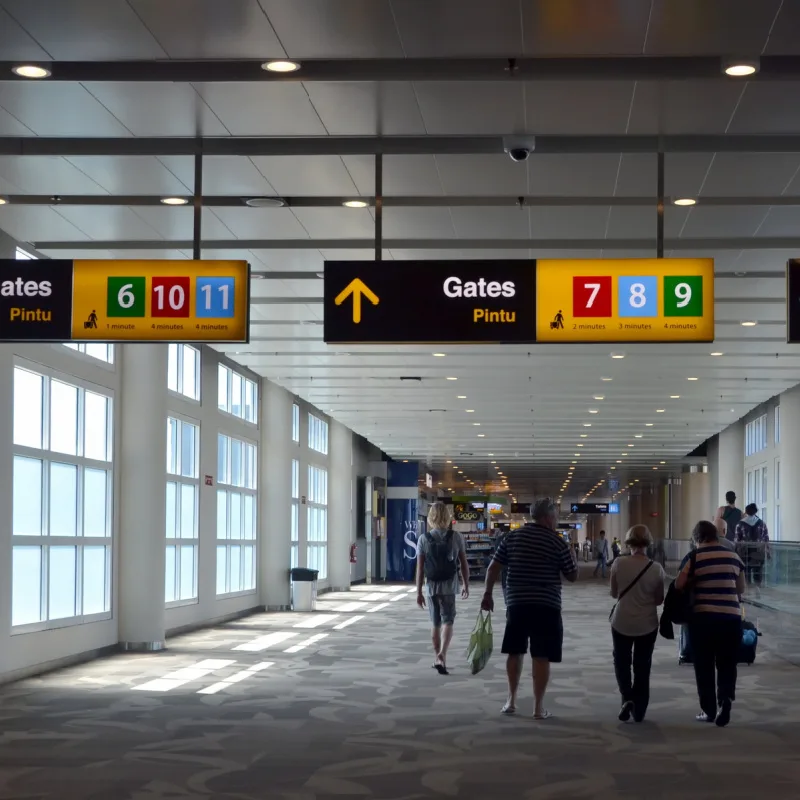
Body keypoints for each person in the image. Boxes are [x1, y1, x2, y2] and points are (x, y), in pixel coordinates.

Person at [481, 498, 578, 719]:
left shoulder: (512, 537)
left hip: (517, 603)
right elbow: (572, 576)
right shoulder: (557, 542)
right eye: (555, 517)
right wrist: (571, 555)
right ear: (547, 517)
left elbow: (493, 568)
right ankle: (537, 707)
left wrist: (487, 594)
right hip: (547, 604)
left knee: (515, 651)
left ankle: (511, 700)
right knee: (541, 655)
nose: (556, 522)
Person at [676, 520, 745, 727]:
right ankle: (725, 699)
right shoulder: (733, 556)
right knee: (727, 663)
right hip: (731, 619)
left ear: (697, 538)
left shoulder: (693, 557)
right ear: (716, 535)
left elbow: (679, 585)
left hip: (703, 619)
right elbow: (741, 589)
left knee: (704, 665)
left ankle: (708, 710)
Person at [609, 526, 665, 723]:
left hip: (622, 621)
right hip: (647, 623)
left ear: (628, 542)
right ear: (648, 543)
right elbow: (659, 600)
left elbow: (614, 593)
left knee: (621, 661)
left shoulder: (618, 563)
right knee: (643, 665)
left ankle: (627, 697)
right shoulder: (656, 568)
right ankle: (639, 710)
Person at [416, 502, 469, 676]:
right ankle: (442, 655)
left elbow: (420, 568)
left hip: (431, 587)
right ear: (447, 517)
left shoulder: (424, 538)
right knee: (448, 621)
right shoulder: (456, 537)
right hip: (449, 586)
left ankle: (436, 657)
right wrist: (466, 584)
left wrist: (418, 592)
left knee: (435, 623)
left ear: (430, 517)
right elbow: (463, 563)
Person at [735, 503, 769, 588]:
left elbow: (736, 540)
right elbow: (766, 539)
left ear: (746, 511)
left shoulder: (740, 524)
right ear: (756, 511)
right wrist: (767, 552)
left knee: (746, 571)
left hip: (744, 553)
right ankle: (758, 589)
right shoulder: (762, 523)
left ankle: (748, 590)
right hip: (759, 552)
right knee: (758, 571)